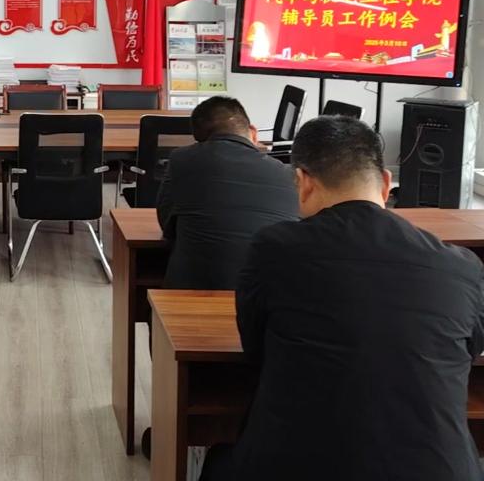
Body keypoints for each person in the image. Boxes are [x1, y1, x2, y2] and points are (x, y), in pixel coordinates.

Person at [201, 116, 484, 481]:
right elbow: (469, 351)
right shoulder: (462, 266)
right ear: (386, 184)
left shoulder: (273, 249)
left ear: (303, 182)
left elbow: (255, 348)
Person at [156, 96, 298, 289]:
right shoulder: (288, 174)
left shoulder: (182, 159)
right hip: (269, 293)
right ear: (253, 133)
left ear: (198, 140)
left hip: (194, 291)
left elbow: (166, 223)